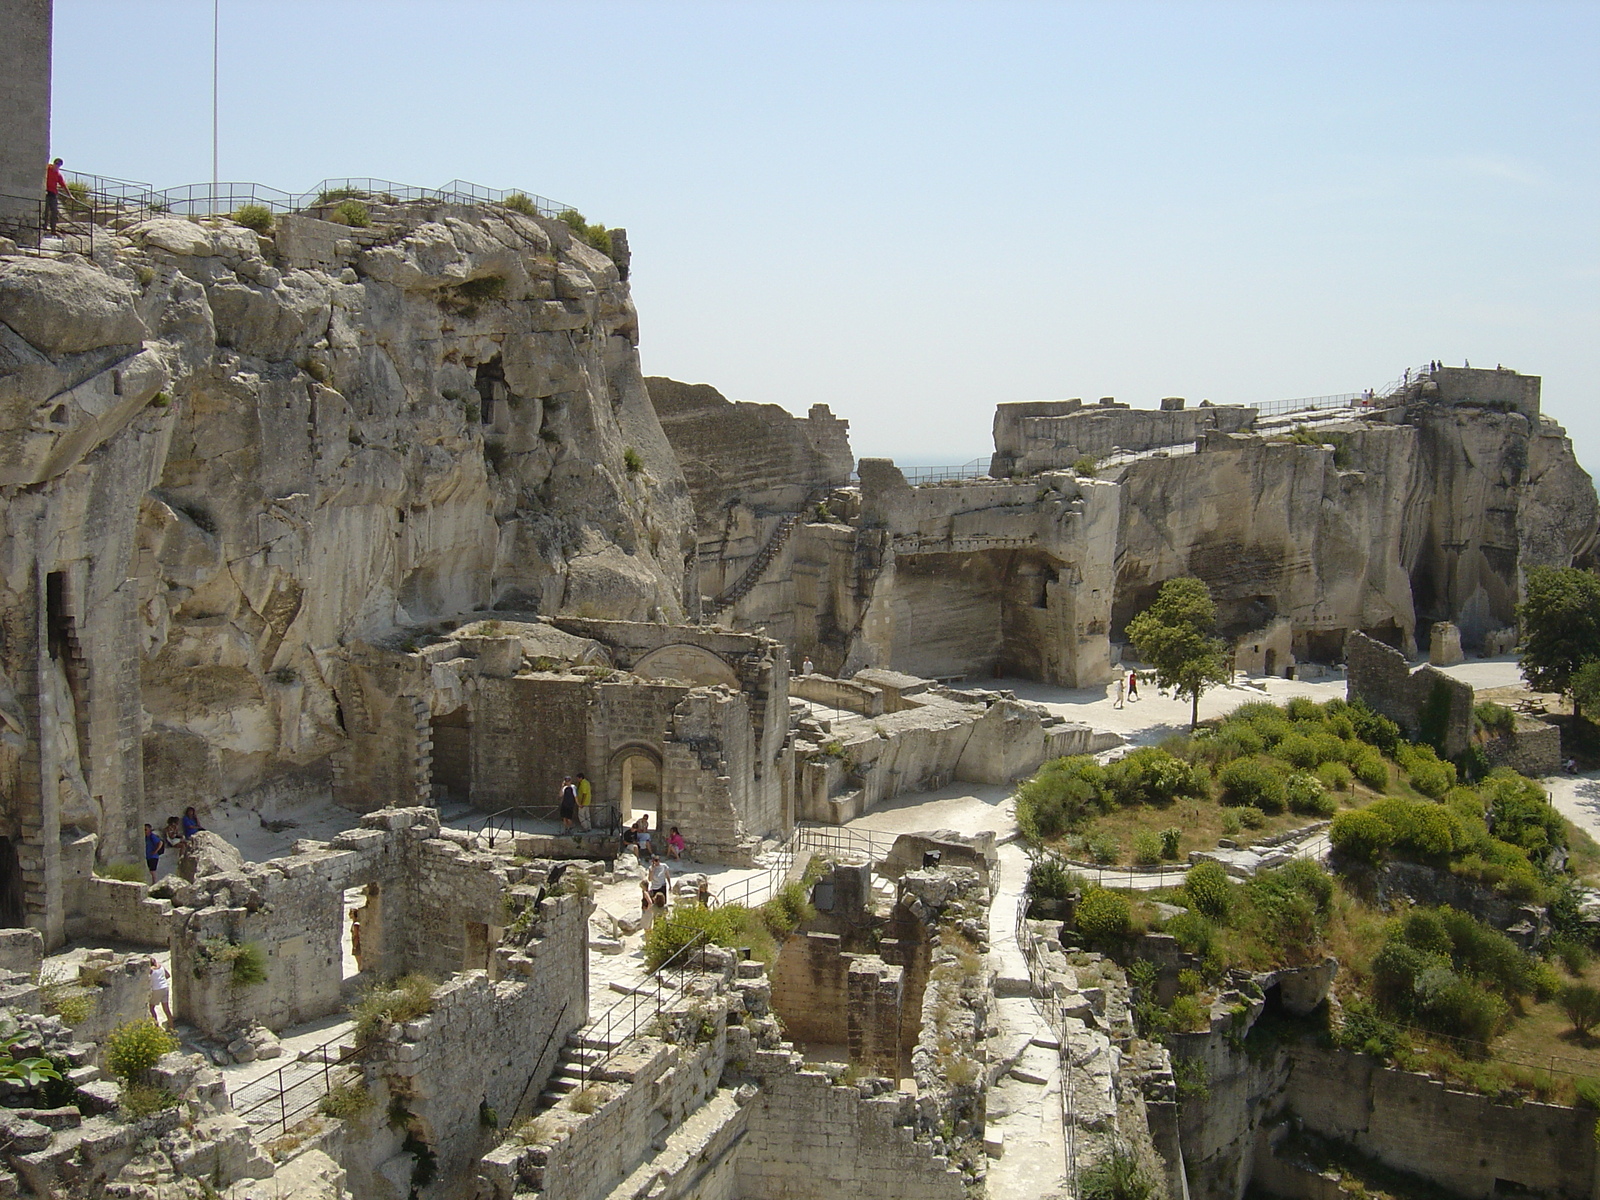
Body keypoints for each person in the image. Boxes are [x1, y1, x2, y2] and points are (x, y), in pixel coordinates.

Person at [148, 957, 172, 1026]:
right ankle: (172, 1026)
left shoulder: (150, 970)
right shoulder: (161, 967)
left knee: (151, 1008)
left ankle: (156, 1026)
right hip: (165, 987)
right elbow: (168, 975)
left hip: (156, 989)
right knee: (166, 1009)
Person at [44, 158, 65, 234]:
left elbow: (63, 185)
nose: (57, 166)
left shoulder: (58, 175)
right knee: (45, 210)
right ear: (53, 163)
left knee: (54, 211)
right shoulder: (47, 168)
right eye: (56, 164)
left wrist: (70, 195)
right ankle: (44, 226)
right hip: (46, 192)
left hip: (53, 193)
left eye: (58, 165)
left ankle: (53, 229)